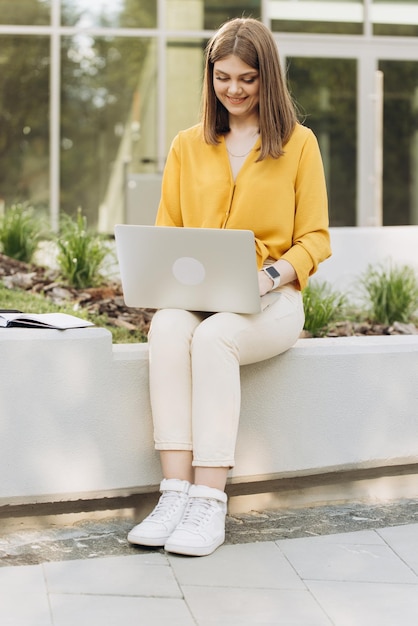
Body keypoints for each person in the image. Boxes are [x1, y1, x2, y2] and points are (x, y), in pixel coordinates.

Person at [128, 17, 331, 557]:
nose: (234, 90)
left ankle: (208, 502)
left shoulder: (299, 145)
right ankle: (173, 493)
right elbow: (167, 232)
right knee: (169, 326)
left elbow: (315, 239)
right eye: (223, 78)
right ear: (209, 77)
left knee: (215, 338)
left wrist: (270, 276)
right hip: (198, 298)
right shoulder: (186, 146)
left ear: (268, 77)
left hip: (275, 300)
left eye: (247, 78)